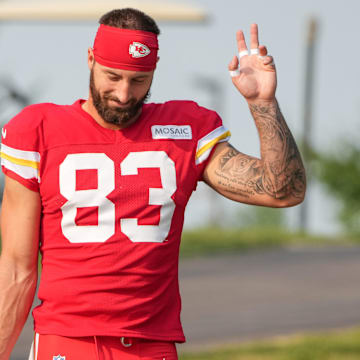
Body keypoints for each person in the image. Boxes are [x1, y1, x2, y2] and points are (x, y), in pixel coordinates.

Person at [0, 7, 306, 360]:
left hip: (152, 345)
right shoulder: (38, 130)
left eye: (139, 80)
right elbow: (17, 269)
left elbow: (283, 190)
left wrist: (262, 103)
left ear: (154, 72)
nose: (124, 94)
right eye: (112, 76)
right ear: (90, 59)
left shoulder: (185, 129)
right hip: (68, 341)